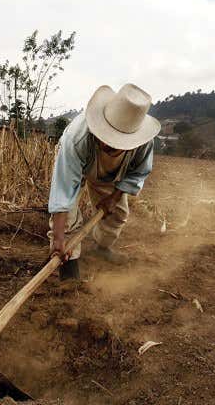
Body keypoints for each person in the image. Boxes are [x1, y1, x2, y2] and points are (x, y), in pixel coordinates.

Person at [48, 83, 161, 280]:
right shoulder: (77, 139)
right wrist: (58, 238)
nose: (107, 143)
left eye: (115, 143)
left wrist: (113, 198)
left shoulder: (143, 145)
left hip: (111, 174)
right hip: (78, 164)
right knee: (67, 221)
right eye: (105, 137)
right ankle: (69, 271)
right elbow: (64, 190)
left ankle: (101, 248)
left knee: (117, 214)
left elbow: (137, 174)